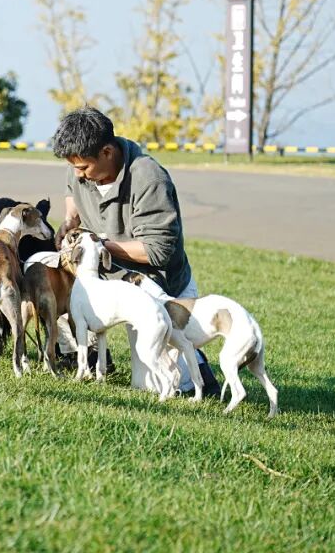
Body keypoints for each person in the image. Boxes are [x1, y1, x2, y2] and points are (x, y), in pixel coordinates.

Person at [51, 107, 220, 396]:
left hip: (156, 285)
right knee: (53, 294)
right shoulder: (80, 165)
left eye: (83, 168)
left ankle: (197, 370)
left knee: (153, 385)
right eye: (74, 168)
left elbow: (158, 251)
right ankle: (82, 359)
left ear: (107, 152)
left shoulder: (149, 179)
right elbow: (72, 190)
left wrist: (97, 245)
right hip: (112, 283)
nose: (79, 175)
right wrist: (70, 221)